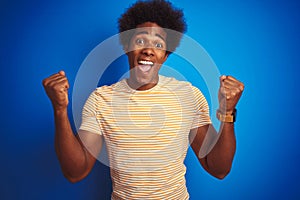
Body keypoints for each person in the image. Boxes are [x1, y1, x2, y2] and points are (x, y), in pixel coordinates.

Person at [42, 0, 244, 199]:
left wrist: (227, 112)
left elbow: (219, 169)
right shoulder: (101, 100)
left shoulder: (188, 96)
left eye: (158, 44)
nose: (148, 49)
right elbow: (75, 172)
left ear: (165, 55)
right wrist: (59, 109)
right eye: (140, 41)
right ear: (127, 47)